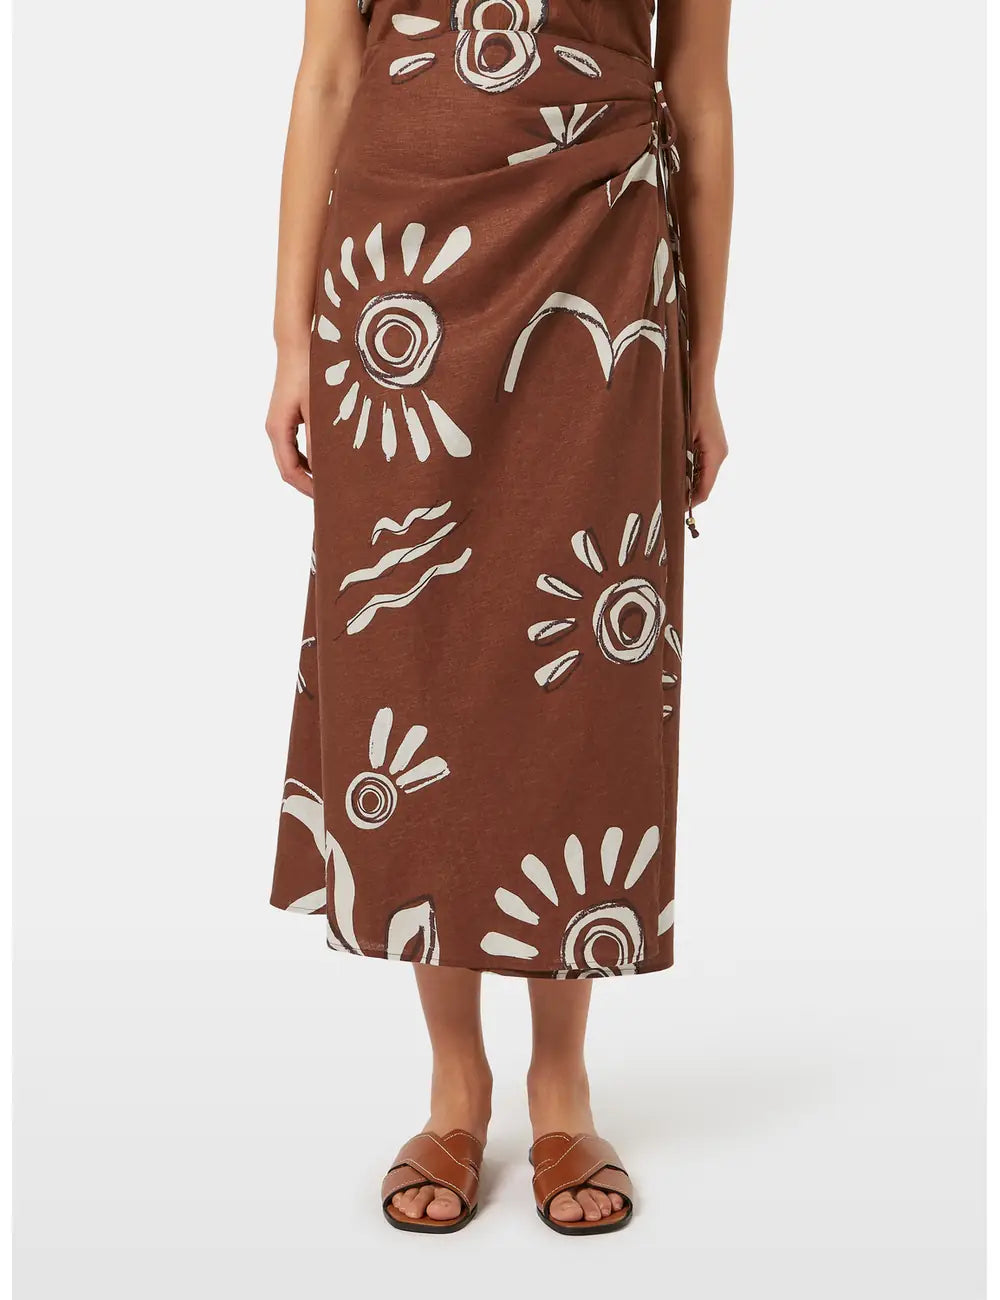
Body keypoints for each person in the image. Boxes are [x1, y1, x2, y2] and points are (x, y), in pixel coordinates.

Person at [266, 0, 731, 1235]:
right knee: (416, 663)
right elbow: (327, 74)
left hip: (602, 255)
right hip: (400, 274)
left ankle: (561, 1083)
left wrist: (702, 365)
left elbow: (697, 96)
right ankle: (454, 1081)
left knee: (580, 674)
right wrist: (290, 339)